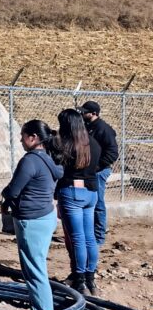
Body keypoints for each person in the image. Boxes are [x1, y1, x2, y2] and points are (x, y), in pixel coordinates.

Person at [1, 120, 63, 310]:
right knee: (38, 268)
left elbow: (13, 190)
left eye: (23, 135)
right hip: (45, 216)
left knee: (35, 273)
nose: (20, 139)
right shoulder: (48, 158)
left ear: (33, 137)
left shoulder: (30, 160)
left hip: (32, 221)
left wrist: (4, 194)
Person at [55, 108, 102, 295]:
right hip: (91, 192)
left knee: (77, 238)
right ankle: (90, 279)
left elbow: (58, 168)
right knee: (89, 237)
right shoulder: (93, 144)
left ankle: (79, 279)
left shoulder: (66, 144)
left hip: (72, 192)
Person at [79, 101, 118, 246]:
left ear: (94, 113)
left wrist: (96, 166)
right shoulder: (88, 126)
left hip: (98, 171)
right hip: (89, 171)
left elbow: (113, 152)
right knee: (89, 202)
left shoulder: (103, 129)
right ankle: (90, 233)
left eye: (85, 112)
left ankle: (99, 237)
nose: (82, 114)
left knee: (98, 203)